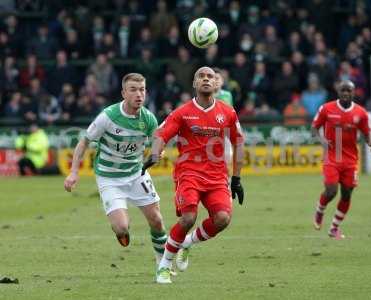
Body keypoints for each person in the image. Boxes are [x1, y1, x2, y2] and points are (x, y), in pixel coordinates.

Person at [142, 66, 245, 284]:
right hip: (189, 173)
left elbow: (239, 142)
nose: (206, 79)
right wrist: (154, 152)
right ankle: (164, 266)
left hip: (217, 176)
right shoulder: (182, 112)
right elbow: (162, 133)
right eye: (201, 76)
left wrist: (236, 178)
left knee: (223, 219)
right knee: (188, 217)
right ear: (194, 84)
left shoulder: (227, 112)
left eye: (210, 76)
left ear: (215, 82)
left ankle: (187, 243)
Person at [63, 73, 169, 269]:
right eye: (133, 90)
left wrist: (156, 153)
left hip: (136, 174)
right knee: (121, 227)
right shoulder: (108, 117)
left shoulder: (148, 119)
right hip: (109, 178)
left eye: (142, 90)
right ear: (123, 93)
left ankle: (162, 263)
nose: (139, 94)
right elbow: (83, 142)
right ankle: (121, 231)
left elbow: (157, 143)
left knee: (156, 220)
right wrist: (74, 172)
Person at [311, 80, 371, 239]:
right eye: (343, 90)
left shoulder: (360, 113)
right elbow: (314, 128)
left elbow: (367, 132)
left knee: (347, 194)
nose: (346, 93)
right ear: (338, 92)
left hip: (350, 160)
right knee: (331, 191)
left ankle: (334, 228)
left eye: (349, 91)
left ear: (354, 93)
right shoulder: (326, 108)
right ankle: (320, 210)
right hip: (332, 157)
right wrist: (322, 141)